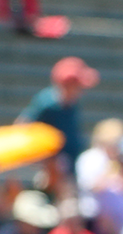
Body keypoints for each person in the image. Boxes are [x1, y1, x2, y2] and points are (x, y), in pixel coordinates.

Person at [17, 56, 98, 189]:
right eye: (78, 86)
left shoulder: (72, 105)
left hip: (68, 174)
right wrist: (46, 161)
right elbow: (22, 129)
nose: (82, 91)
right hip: (48, 177)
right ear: (68, 84)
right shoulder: (47, 103)